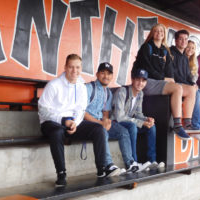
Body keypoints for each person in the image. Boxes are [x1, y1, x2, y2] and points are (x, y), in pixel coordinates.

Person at [38, 54, 107, 187]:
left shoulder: (81, 85)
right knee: (57, 132)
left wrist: (75, 122)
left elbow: (81, 109)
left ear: (81, 68)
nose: (74, 71)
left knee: (98, 129)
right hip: (51, 123)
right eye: (71, 67)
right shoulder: (54, 85)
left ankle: (101, 170)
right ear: (65, 67)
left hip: (72, 123)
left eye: (77, 67)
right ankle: (61, 173)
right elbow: (42, 110)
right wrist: (63, 120)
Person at [132, 23, 192, 140]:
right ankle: (177, 125)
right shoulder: (146, 47)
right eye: (156, 31)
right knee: (177, 88)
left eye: (161, 31)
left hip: (159, 83)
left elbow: (170, 71)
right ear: (152, 33)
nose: (159, 33)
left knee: (191, 90)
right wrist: (164, 78)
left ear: (164, 34)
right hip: (145, 82)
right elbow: (146, 68)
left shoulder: (165, 51)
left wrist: (170, 79)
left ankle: (188, 124)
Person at [85, 62, 148, 173]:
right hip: (87, 123)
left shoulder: (108, 93)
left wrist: (106, 121)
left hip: (100, 122)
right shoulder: (89, 88)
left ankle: (130, 164)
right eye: (103, 73)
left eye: (109, 74)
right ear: (97, 74)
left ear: (112, 76)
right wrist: (101, 123)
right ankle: (108, 165)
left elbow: (105, 113)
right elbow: (81, 113)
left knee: (123, 131)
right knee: (102, 130)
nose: (106, 76)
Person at [111, 68, 162, 168]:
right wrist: (140, 122)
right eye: (138, 80)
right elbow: (119, 117)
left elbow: (138, 113)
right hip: (116, 123)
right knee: (132, 126)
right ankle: (134, 162)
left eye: (143, 81)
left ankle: (152, 160)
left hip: (129, 122)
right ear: (133, 79)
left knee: (151, 126)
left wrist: (146, 119)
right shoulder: (122, 91)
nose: (140, 83)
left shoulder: (140, 94)